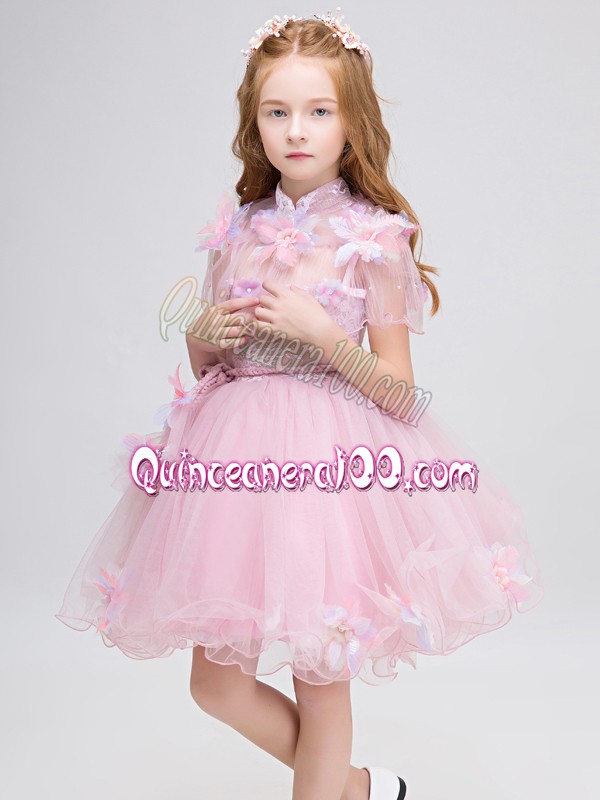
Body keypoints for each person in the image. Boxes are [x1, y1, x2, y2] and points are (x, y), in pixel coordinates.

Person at [55, 10, 544, 800]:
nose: (297, 130)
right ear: (254, 122)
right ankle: (355, 787)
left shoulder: (374, 238)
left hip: (329, 473)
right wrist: (203, 337)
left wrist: (324, 336)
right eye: (277, 111)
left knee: (322, 675)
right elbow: (216, 364)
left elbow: (402, 393)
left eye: (319, 111)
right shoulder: (239, 230)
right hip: (235, 472)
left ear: (352, 122)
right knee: (215, 685)